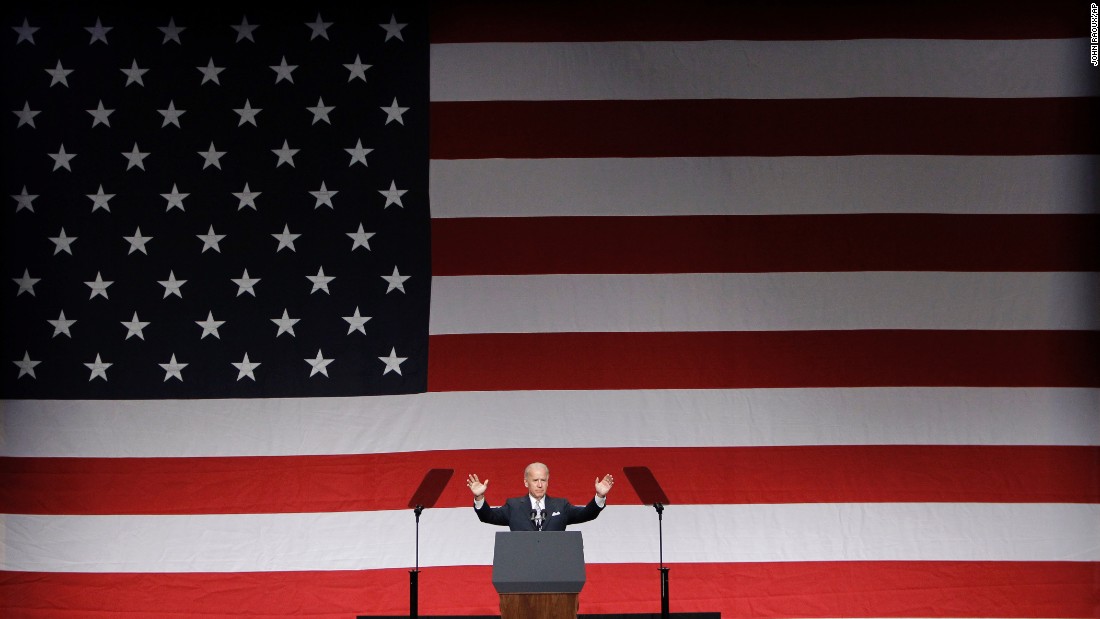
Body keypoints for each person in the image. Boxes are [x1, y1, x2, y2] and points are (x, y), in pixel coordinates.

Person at [467, 462, 614, 531]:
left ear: (548, 482)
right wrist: (479, 497)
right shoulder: (514, 506)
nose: (539, 485)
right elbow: (488, 516)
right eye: (535, 480)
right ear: (526, 482)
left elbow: (586, 514)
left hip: (555, 569)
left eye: (543, 480)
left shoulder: (561, 506)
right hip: (521, 569)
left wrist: (600, 495)